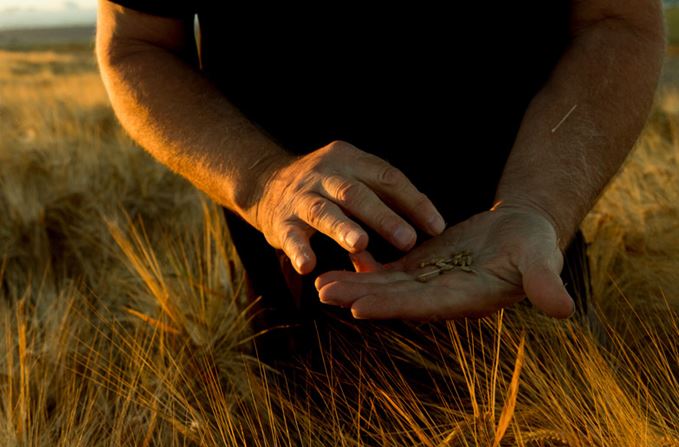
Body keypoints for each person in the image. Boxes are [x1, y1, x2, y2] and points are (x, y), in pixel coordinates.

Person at [96, 1, 665, 360]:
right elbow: (136, 40)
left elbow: (619, 20)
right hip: (298, 280)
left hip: (526, 257)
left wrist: (537, 202)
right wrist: (265, 183)